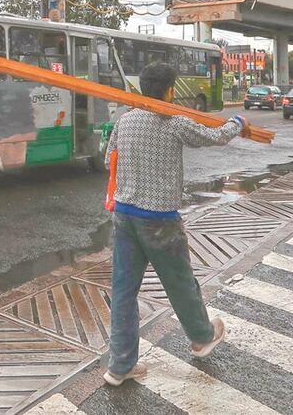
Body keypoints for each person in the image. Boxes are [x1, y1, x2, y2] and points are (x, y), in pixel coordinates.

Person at [102, 63, 244, 386]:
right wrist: (237, 123)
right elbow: (215, 135)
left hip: (124, 216)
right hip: (159, 220)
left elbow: (109, 158)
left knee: (123, 291)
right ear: (169, 90)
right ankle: (202, 337)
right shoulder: (174, 121)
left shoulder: (126, 120)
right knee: (180, 283)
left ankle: (120, 366)